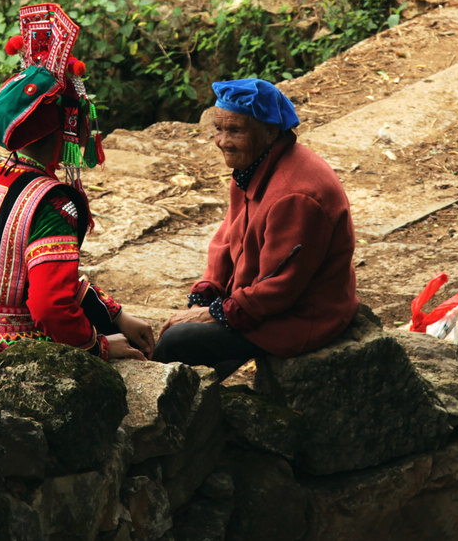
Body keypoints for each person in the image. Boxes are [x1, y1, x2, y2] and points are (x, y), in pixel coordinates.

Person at [0, 2, 154, 362]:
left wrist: (115, 314)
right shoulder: (54, 203)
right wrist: (99, 346)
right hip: (13, 349)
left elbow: (17, 277)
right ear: (68, 128)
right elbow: (49, 307)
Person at [154, 78, 359, 378]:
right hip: (265, 302)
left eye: (235, 131)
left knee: (175, 341)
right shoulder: (253, 168)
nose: (223, 141)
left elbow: (279, 289)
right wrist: (208, 290)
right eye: (219, 129)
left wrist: (215, 314)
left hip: (302, 316)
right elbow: (227, 239)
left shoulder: (295, 197)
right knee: (190, 329)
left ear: (269, 132)